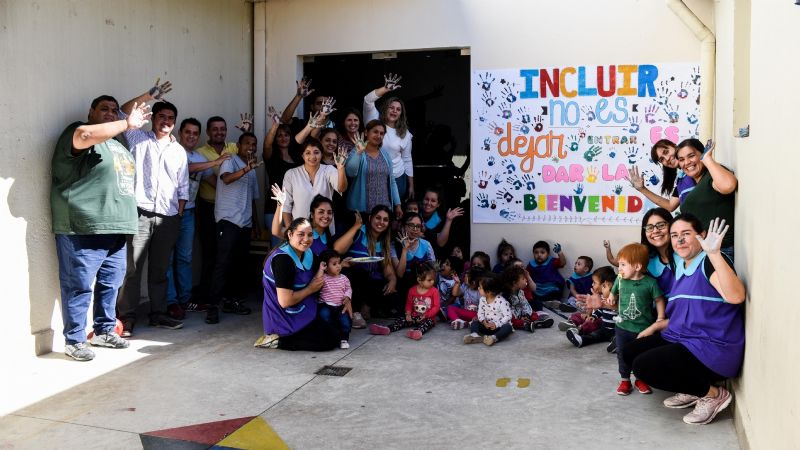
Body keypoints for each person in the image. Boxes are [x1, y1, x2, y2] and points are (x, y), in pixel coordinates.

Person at [51, 96, 150, 360]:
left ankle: (104, 330)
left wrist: (147, 96)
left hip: (116, 227)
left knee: (111, 283)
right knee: (78, 286)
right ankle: (74, 339)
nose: (110, 113)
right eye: (103, 109)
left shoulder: (117, 142)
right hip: (83, 226)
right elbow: (84, 135)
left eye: (114, 110)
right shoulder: (78, 131)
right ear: (91, 111)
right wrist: (127, 123)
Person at [623, 215, 744, 425]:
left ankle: (713, 395)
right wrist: (656, 326)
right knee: (630, 351)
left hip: (712, 346)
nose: (679, 240)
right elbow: (686, 312)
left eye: (686, 234)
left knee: (644, 366)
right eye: (674, 235)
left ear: (702, 236)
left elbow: (736, 296)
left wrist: (714, 253)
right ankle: (693, 388)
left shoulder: (710, 262)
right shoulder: (682, 266)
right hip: (686, 337)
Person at [117, 82, 188, 337]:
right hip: (141, 212)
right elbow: (122, 113)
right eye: (162, 117)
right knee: (133, 269)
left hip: (168, 217)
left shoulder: (178, 150)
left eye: (170, 118)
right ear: (153, 119)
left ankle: (158, 313)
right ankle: (126, 317)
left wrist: (179, 212)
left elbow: (183, 185)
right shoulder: (138, 138)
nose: (166, 121)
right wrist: (149, 95)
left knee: (160, 269)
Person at [165, 118, 231, 318]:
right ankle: (170, 301)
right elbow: (188, 168)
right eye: (188, 132)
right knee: (168, 259)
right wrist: (215, 162)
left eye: (195, 133)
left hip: (189, 213)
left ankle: (185, 300)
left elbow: (216, 183)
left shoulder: (199, 156)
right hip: (169, 213)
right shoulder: (173, 150)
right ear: (180, 133)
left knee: (185, 258)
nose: (191, 136)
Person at [205, 132, 262, 324]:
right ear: (238, 145)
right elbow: (226, 179)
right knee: (222, 264)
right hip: (228, 221)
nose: (251, 147)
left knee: (239, 266)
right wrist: (246, 169)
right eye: (247, 143)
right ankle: (212, 307)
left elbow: (252, 199)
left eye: (254, 144)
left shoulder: (252, 169)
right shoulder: (230, 160)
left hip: (245, 223)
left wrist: (255, 224)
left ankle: (232, 301)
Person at [258, 218, 339, 351]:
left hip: (301, 310)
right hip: (283, 318)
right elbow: (285, 301)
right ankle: (278, 340)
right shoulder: (283, 260)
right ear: (290, 234)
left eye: (310, 235)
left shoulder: (307, 252)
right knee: (328, 341)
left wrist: (341, 264)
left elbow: (324, 267)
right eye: (301, 234)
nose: (306, 239)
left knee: (336, 331)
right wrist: (310, 288)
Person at [607, 243, 666, 396]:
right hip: (622, 327)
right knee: (622, 353)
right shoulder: (620, 279)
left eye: (623, 265)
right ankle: (625, 380)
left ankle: (641, 379)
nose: (619, 269)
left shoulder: (650, 283)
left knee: (642, 355)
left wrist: (660, 318)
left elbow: (659, 300)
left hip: (643, 328)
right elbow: (614, 289)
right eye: (619, 264)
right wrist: (612, 295)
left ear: (637, 266)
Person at [193, 115, 238, 308]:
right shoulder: (199, 153)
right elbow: (215, 181)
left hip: (230, 210)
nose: (219, 132)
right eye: (215, 129)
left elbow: (248, 153)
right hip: (209, 208)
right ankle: (207, 297)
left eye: (222, 128)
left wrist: (246, 132)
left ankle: (227, 295)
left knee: (228, 253)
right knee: (210, 252)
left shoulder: (234, 148)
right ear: (208, 132)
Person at [335, 205, 399, 327]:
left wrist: (392, 281)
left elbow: (389, 272)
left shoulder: (384, 242)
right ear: (370, 218)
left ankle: (367, 305)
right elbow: (337, 249)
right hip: (351, 278)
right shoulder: (359, 232)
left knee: (391, 293)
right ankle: (355, 312)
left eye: (385, 220)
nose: (381, 222)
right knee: (360, 274)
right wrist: (355, 226)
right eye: (378, 218)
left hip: (369, 283)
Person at [363, 73, 414, 199]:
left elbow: (407, 159)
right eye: (391, 107)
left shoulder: (405, 134)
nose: (394, 111)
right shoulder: (374, 119)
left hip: (397, 178)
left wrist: (411, 185)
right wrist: (385, 89)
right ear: (385, 108)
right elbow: (367, 100)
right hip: (373, 175)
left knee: (394, 209)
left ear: (401, 114)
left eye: (398, 109)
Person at [605, 207, 676, 296]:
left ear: (672, 226)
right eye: (649, 227)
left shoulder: (685, 256)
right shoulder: (644, 258)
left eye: (661, 225)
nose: (655, 231)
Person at [281, 138, 347, 232]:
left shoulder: (329, 170)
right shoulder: (291, 174)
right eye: (308, 153)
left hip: (324, 228)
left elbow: (342, 188)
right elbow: (286, 204)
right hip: (299, 230)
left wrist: (341, 168)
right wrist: (290, 230)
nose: (312, 156)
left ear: (321, 154)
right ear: (302, 155)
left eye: (316, 152)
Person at [344, 120, 403, 219]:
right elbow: (350, 173)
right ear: (366, 133)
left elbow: (392, 181)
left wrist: (398, 205)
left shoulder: (385, 154)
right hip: (362, 211)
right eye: (375, 132)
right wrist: (359, 153)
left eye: (382, 133)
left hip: (384, 210)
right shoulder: (357, 151)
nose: (378, 135)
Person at [369, 262, 441, 340]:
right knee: (401, 320)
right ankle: (387, 328)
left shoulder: (434, 291)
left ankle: (417, 332)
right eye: (429, 280)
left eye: (433, 279)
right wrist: (408, 314)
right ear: (419, 280)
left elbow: (436, 307)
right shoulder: (412, 290)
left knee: (428, 323)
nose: (432, 282)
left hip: (427, 317)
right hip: (413, 316)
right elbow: (409, 304)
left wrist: (426, 315)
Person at [263, 111, 301, 246]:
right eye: (279, 136)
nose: (283, 138)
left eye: (286, 135)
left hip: (293, 209)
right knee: (278, 246)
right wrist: (275, 126)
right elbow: (267, 145)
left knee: (293, 245)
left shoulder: (297, 158)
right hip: (274, 208)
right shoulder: (271, 157)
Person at [627, 139, 696, 212]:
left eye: (666, 152)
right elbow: (670, 206)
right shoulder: (681, 181)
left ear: (675, 146)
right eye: (662, 159)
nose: (667, 158)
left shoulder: (698, 165)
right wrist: (642, 189)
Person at [563, 266, 618, 350]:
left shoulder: (616, 300)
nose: (592, 285)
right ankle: (581, 340)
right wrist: (593, 316)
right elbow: (600, 310)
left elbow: (618, 310)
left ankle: (616, 345)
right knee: (594, 335)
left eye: (604, 286)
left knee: (617, 337)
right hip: (604, 329)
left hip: (615, 330)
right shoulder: (600, 297)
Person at [317, 250, 353, 350]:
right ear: (326, 266)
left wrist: (347, 296)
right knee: (324, 316)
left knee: (345, 322)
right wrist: (321, 269)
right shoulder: (324, 277)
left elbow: (348, 289)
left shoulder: (344, 278)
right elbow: (317, 280)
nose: (338, 266)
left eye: (339, 262)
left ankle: (344, 339)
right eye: (334, 264)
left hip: (340, 305)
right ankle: (333, 334)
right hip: (326, 305)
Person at [392, 213, 436, 295]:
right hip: (403, 290)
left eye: (418, 226)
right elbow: (400, 274)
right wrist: (405, 250)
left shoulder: (426, 245)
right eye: (411, 225)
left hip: (423, 289)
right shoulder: (394, 246)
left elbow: (433, 271)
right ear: (403, 226)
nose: (415, 229)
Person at [462, 274, 512, 346]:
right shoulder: (482, 299)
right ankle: (474, 335)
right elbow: (480, 313)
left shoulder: (501, 301)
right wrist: (483, 321)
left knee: (508, 327)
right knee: (474, 322)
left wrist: (496, 324)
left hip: (498, 327)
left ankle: (493, 338)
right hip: (486, 326)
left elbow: (508, 316)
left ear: (489, 291)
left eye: (480, 287)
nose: (478, 288)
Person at [503, 265, 552, 332]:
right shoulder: (506, 296)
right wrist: (520, 318)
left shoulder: (520, 292)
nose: (526, 280)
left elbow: (525, 304)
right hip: (513, 316)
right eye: (523, 279)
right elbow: (508, 312)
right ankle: (526, 325)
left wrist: (527, 315)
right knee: (512, 321)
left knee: (533, 313)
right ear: (514, 283)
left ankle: (536, 322)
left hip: (522, 314)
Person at [419, 187, 464, 257]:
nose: (429, 203)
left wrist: (449, 220)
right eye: (426, 199)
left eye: (433, 201)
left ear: (438, 204)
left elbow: (441, 243)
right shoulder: (415, 213)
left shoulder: (441, 220)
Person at [527, 241, 566, 312]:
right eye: (536, 252)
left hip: (551, 288)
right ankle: (543, 303)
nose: (539, 255)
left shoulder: (551, 261)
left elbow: (562, 263)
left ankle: (553, 302)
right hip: (538, 289)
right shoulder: (531, 264)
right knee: (532, 296)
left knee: (556, 292)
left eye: (542, 252)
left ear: (548, 254)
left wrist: (559, 252)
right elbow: (526, 275)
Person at [437, 255, 463, 323]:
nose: (443, 264)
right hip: (440, 303)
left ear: (453, 272)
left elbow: (453, 297)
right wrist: (434, 271)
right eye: (444, 262)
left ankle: (449, 316)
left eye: (447, 264)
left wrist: (445, 305)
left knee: (451, 308)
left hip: (451, 303)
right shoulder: (438, 275)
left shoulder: (455, 281)